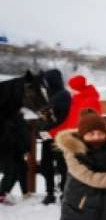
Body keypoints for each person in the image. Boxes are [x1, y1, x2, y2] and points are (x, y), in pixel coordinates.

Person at [38, 69, 71, 205]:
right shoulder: (51, 95)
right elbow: (45, 116)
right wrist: (42, 129)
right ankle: (50, 193)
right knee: (46, 165)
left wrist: (49, 127)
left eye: (47, 80)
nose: (45, 84)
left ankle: (64, 193)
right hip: (48, 136)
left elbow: (62, 117)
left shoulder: (64, 95)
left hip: (59, 136)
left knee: (62, 165)